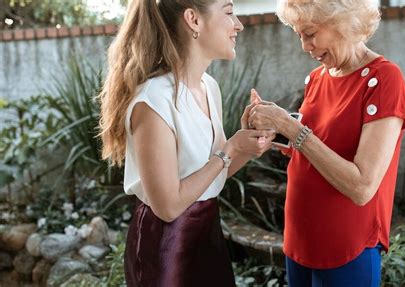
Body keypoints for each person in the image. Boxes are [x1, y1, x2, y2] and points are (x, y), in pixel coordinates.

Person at [97, 0, 275, 286]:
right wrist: (230, 149)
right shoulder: (154, 101)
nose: (238, 25)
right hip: (167, 246)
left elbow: (212, 174)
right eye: (229, 12)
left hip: (207, 236)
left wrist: (246, 146)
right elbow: (168, 206)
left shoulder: (208, 87)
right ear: (193, 19)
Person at [246, 0, 405, 286]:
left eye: (310, 34)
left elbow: (361, 187)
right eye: (298, 35)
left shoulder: (383, 79)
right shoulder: (316, 78)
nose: (304, 46)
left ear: (343, 23)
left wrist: (291, 126)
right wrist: (271, 130)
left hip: (347, 243)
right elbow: (315, 149)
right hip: (300, 235)